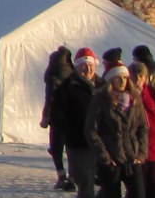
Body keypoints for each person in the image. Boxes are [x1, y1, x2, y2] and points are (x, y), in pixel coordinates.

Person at [88, 66, 148, 198]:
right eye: (118, 78)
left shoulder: (135, 99)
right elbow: (91, 129)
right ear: (110, 80)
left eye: (125, 78)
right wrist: (105, 156)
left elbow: (143, 127)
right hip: (111, 160)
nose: (122, 81)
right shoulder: (101, 100)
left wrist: (141, 154)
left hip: (132, 158)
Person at [55, 47, 103, 198]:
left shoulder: (103, 86)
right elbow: (59, 115)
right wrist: (72, 133)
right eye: (84, 65)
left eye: (90, 65)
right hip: (79, 143)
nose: (88, 69)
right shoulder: (68, 87)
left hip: (103, 142)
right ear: (77, 67)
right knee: (85, 181)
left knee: (107, 181)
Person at [132, 63, 155, 198]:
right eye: (134, 75)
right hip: (136, 151)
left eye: (140, 75)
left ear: (145, 78)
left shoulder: (153, 94)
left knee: (153, 189)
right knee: (137, 190)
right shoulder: (127, 96)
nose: (137, 78)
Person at [42, 46, 75, 191]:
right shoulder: (73, 73)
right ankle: (72, 176)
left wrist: (45, 117)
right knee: (72, 148)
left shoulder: (53, 75)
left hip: (57, 117)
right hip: (73, 117)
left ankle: (62, 175)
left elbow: (50, 99)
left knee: (56, 148)